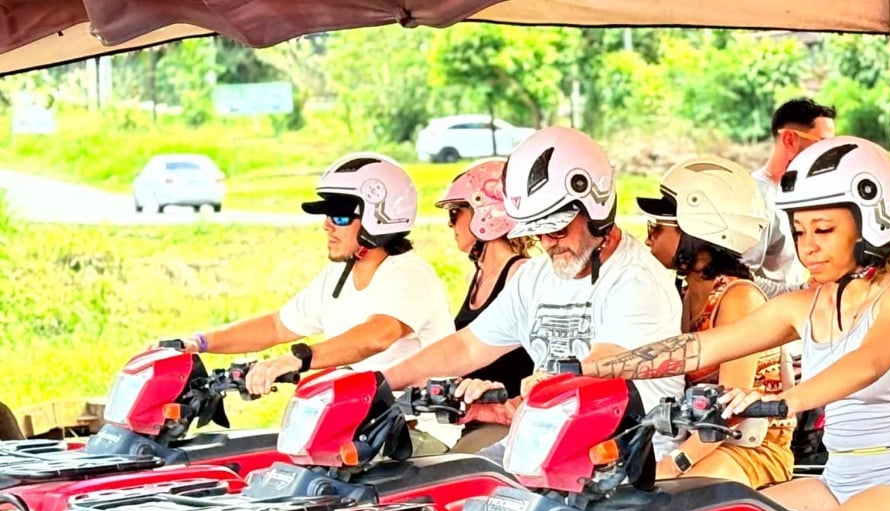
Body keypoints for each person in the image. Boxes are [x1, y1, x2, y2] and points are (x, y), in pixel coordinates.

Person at [572, 137, 890, 511]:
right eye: (799, 231)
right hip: (838, 480)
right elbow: (699, 347)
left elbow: (867, 363)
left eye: (824, 230)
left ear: (871, 223)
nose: (808, 246)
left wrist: (781, 401)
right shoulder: (804, 305)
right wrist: (589, 369)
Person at [386, 127, 683, 454]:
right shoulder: (536, 276)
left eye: (556, 229)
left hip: (624, 457)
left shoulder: (636, 282)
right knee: (445, 478)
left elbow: (600, 370)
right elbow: (468, 346)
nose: (546, 243)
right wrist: (382, 382)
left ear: (596, 210)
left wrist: (527, 399)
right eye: (537, 232)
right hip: (546, 444)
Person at [181, 154, 452, 396]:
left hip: (417, 427)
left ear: (380, 218)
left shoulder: (410, 275)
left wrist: (299, 359)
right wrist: (198, 342)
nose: (326, 226)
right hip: (359, 421)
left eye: (340, 217)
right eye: (327, 216)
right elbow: (277, 326)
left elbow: (376, 336)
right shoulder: (337, 276)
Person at [637, 155, 794, 487]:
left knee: (677, 495)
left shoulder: (737, 299)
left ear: (697, 233)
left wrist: (675, 463)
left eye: (657, 228)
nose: (649, 239)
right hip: (704, 442)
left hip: (751, 447)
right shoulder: (681, 295)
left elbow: (729, 410)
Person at [434, 159, 534, 451]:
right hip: (474, 419)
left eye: (455, 213)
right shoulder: (476, 276)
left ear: (485, 211)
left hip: (509, 423)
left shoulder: (520, 274)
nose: (450, 223)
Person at [744, 97, 837, 296]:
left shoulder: (799, 194)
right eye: (822, 143)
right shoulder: (756, 196)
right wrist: (801, 292)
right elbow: (739, 279)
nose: (827, 153)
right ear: (789, 139)